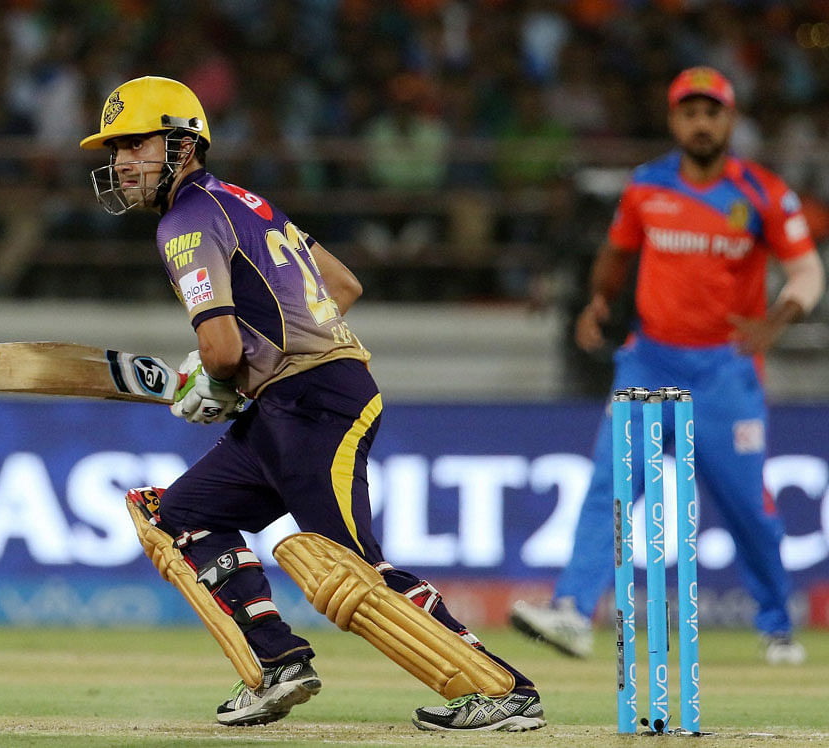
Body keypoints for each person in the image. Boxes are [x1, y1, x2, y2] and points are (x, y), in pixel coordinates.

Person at [79, 76, 546, 732]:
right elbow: (343, 285)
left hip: (312, 401)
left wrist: (216, 380)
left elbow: (218, 350)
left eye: (135, 142)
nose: (122, 160)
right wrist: (255, 368)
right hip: (297, 399)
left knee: (350, 567)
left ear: (183, 144)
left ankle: (501, 688)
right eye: (115, 147)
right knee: (181, 513)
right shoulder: (246, 202)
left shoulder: (184, 220)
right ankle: (278, 662)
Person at [510, 67, 825, 665]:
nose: (701, 123)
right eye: (689, 112)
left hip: (726, 371)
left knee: (745, 506)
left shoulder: (762, 191)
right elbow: (617, 251)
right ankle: (573, 612)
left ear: (729, 120)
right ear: (674, 119)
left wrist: (776, 321)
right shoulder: (646, 187)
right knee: (609, 484)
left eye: (712, 112)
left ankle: (777, 624)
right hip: (649, 360)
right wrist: (600, 301)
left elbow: (808, 270)